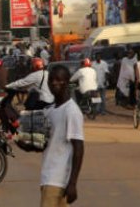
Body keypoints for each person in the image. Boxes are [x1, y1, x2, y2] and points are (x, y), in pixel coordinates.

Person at [41, 65, 84, 206]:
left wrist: (72, 183)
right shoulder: (51, 110)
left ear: (67, 82)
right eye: (51, 80)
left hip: (57, 180)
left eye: (59, 79)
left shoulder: (71, 111)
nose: (54, 83)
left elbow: (78, 147)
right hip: (48, 177)